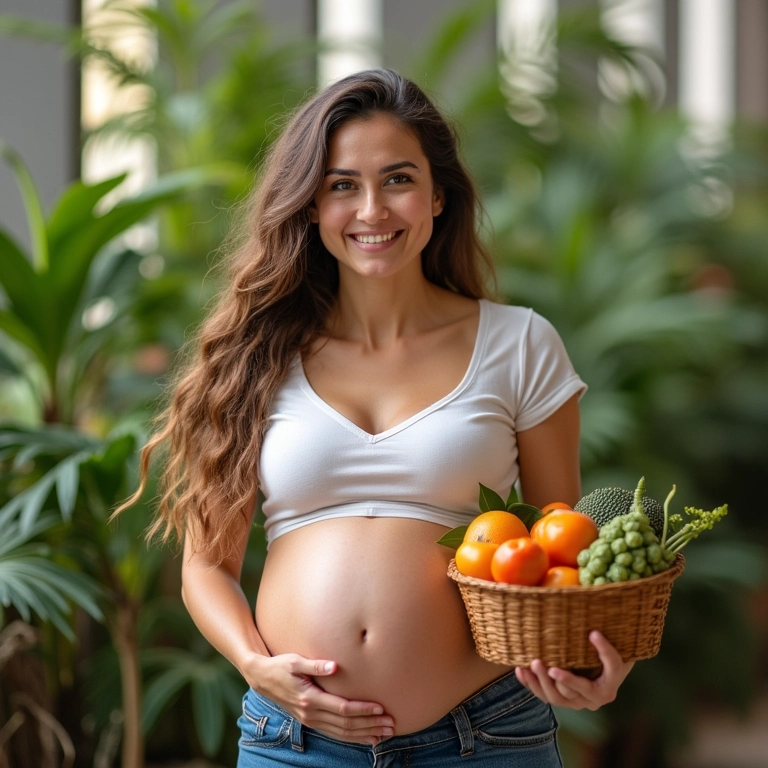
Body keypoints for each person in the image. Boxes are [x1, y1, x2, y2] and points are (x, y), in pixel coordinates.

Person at [121, 69, 633, 766]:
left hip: (486, 734)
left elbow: (560, 550)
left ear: (437, 195)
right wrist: (254, 665)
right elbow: (207, 566)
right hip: (294, 739)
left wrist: (588, 665)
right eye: (341, 185)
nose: (372, 209)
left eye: (397, 179)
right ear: (307, 206)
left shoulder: (518, 344)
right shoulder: (256, 357)